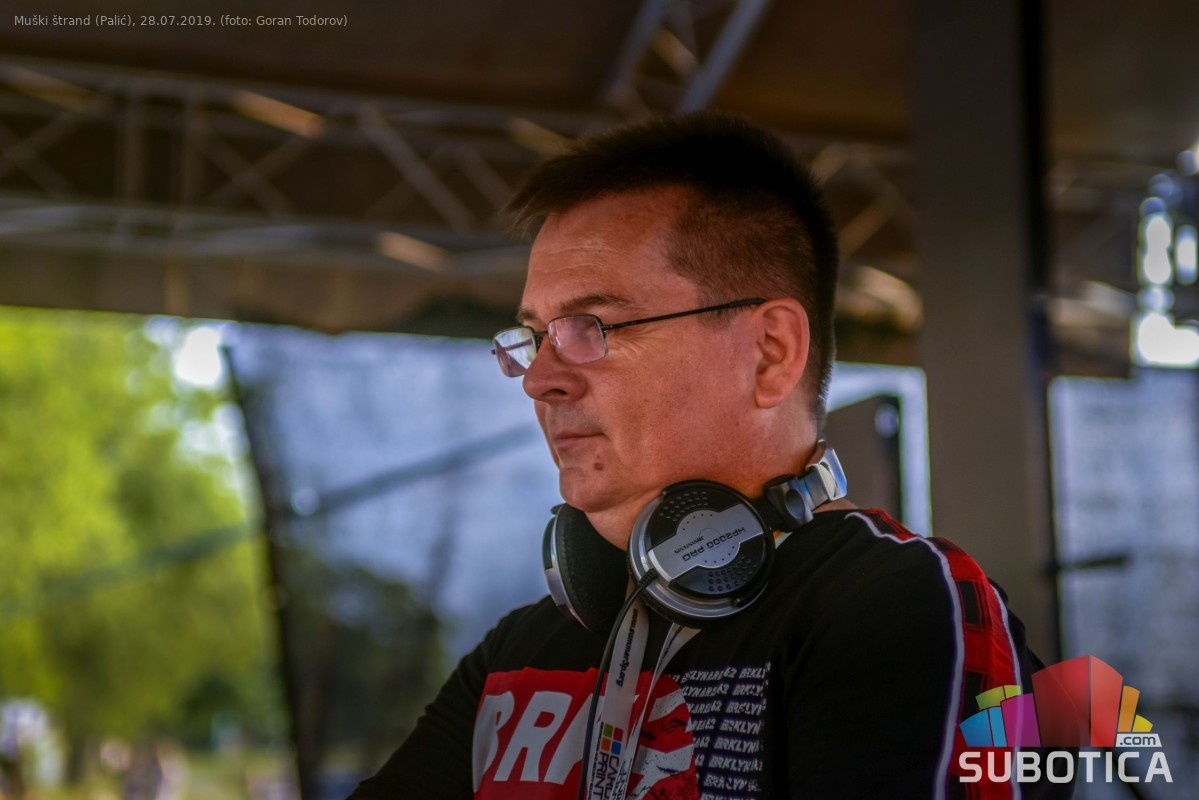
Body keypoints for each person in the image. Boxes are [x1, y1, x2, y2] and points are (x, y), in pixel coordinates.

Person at [349, 113, 1066, 798]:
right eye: (535, 337)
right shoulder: (521, 651)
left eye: (592, 326)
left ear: (769, 354)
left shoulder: (899, 608)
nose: (539, 379)